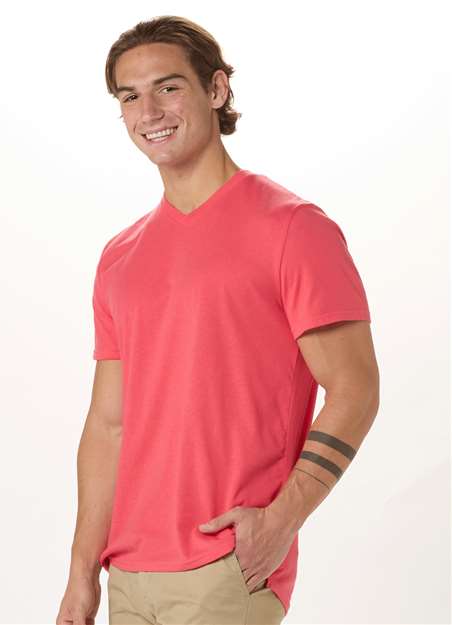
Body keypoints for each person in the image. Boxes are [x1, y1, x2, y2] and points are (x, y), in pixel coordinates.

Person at [56, 14, 380, 625]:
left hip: (227, 566)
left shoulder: (292, 228)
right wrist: (81, 573)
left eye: (168, 87)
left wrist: (281, 521)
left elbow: (355, 387)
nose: (149, 111)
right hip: (127, 572)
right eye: (129, 97)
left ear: (216, 89)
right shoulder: (120, 257)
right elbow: (108, 426)